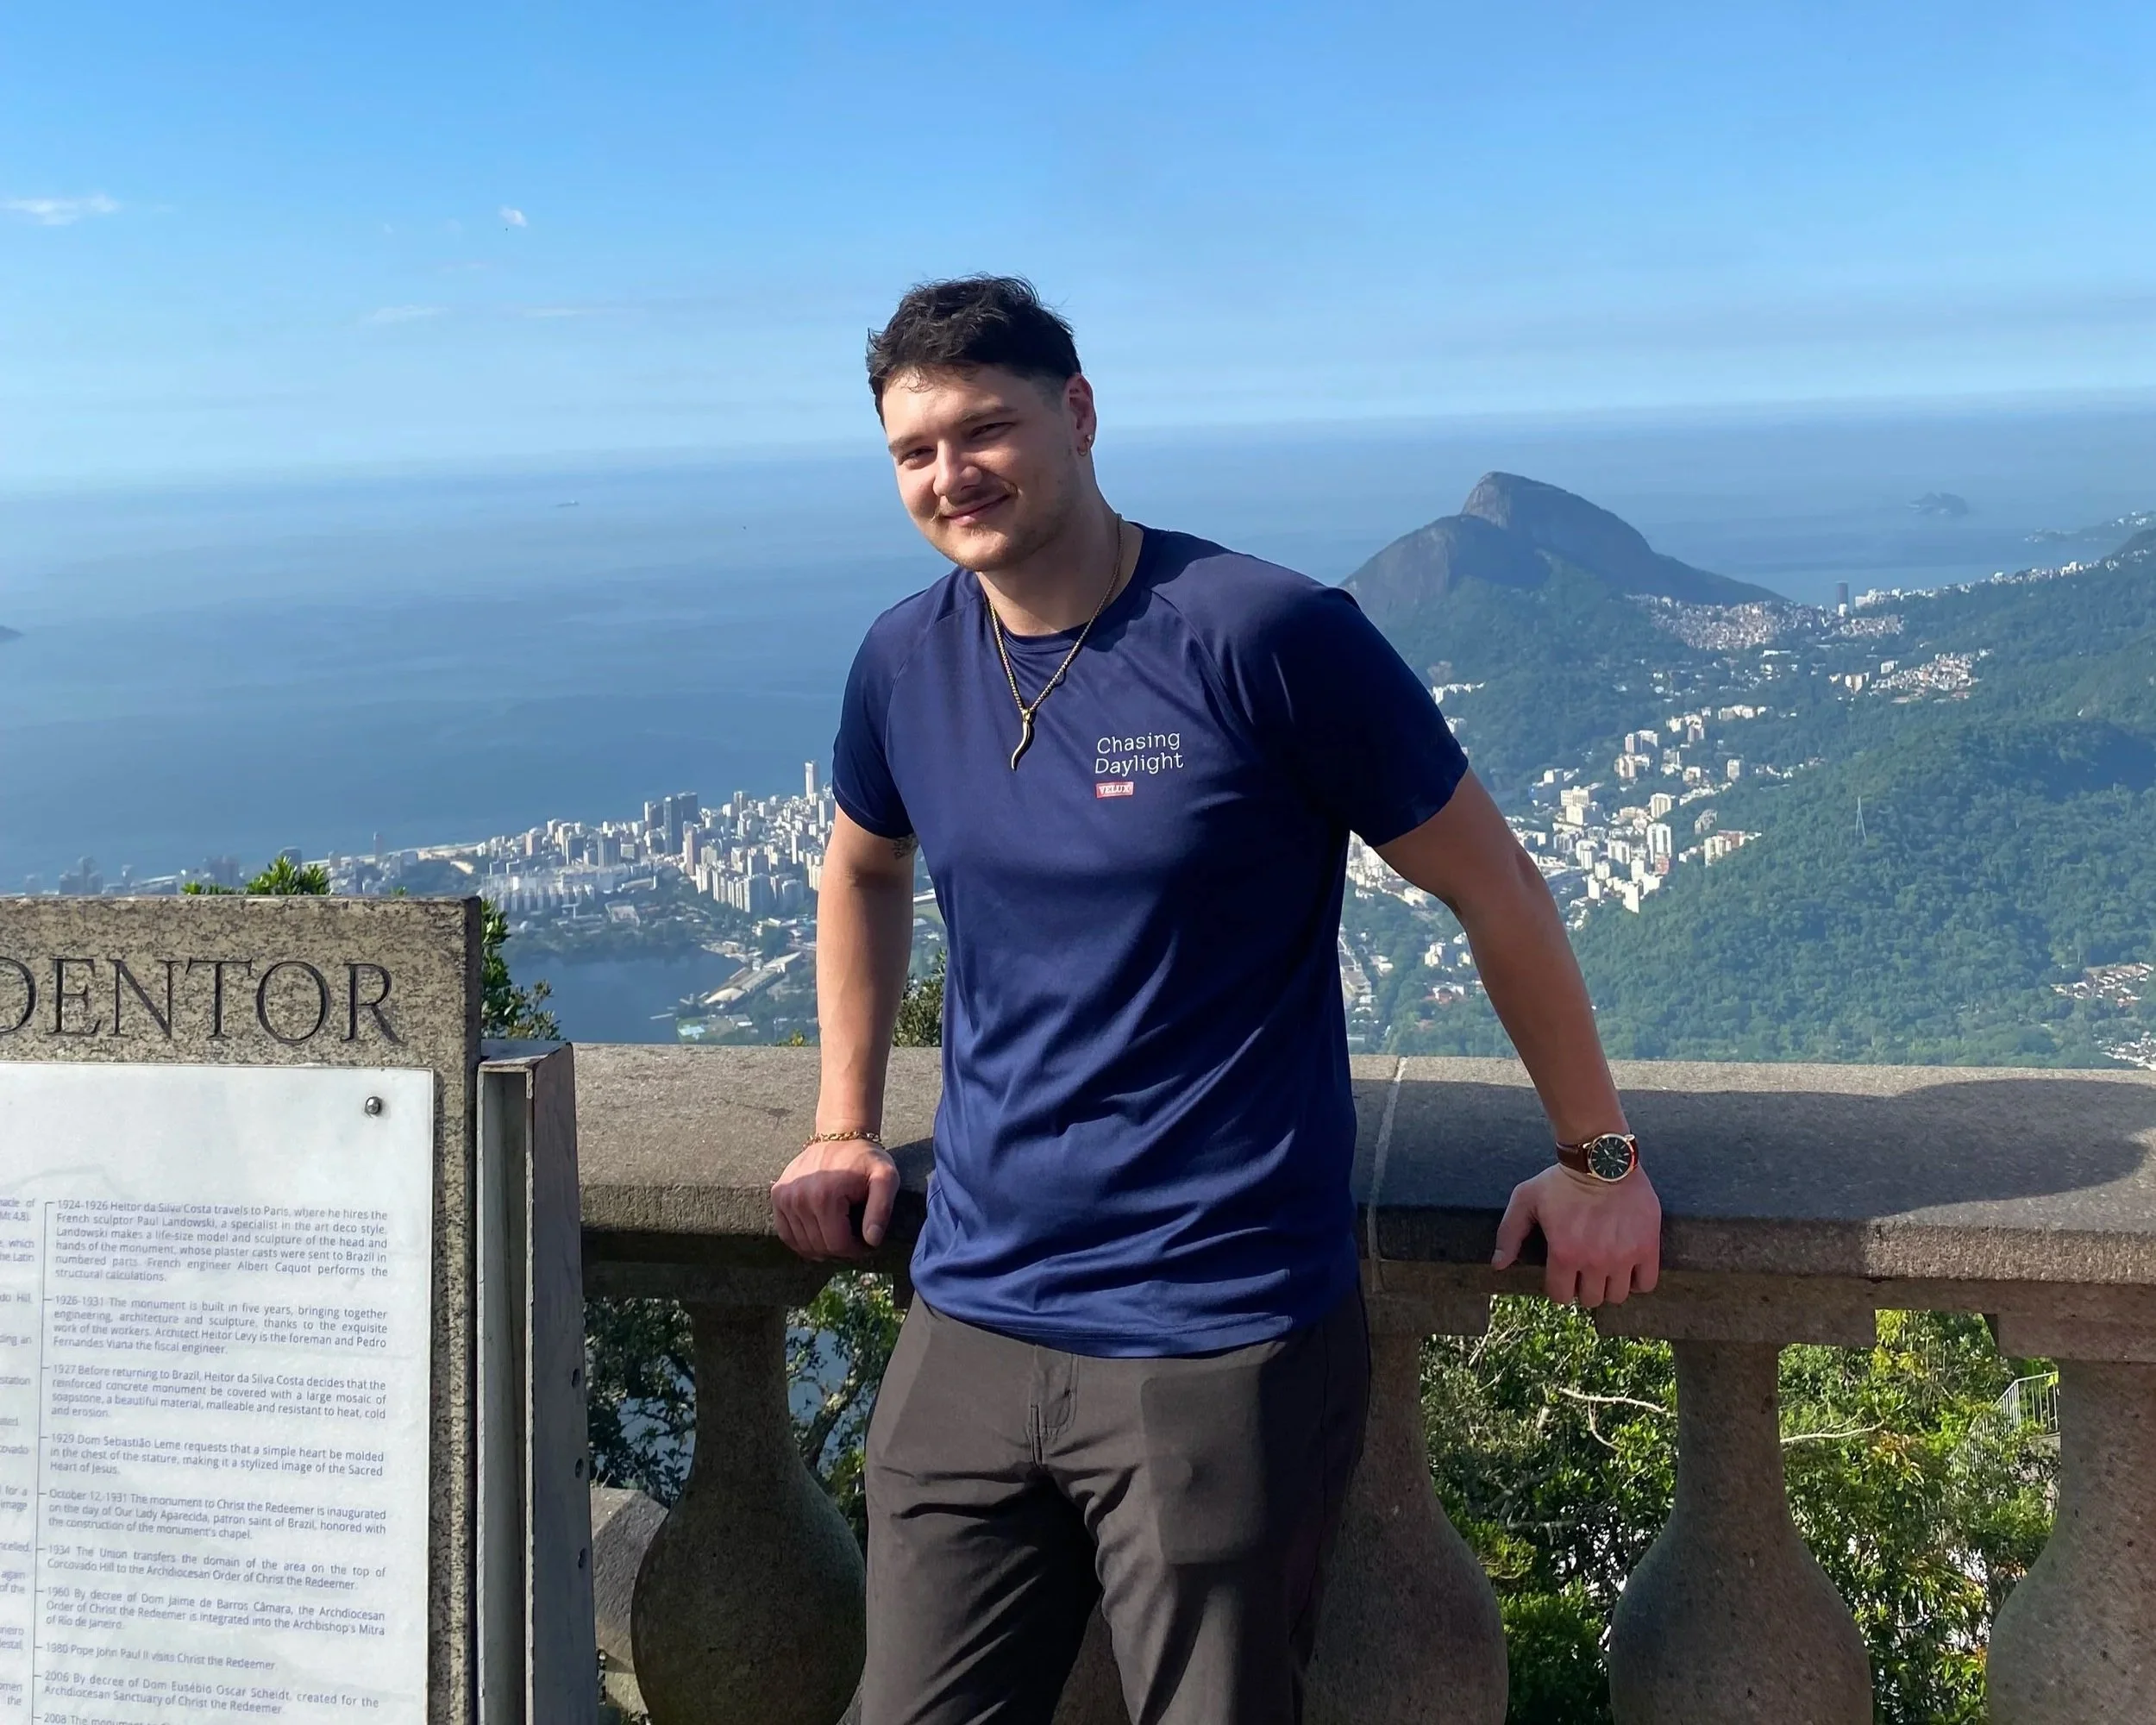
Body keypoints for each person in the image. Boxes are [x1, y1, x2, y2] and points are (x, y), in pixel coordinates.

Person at [771, 276, 1661, 1725]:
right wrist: (840, 1122)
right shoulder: (904, 658)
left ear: (1080, 413)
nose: (951, 476)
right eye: (913, 452)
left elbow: (1497, 885)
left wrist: (1601, 1161)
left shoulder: (1260, 633)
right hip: (972, 1314)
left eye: (985, 429)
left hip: (1216, 1329)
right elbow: (861, 870)